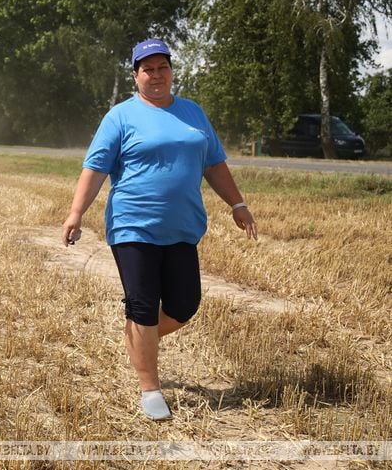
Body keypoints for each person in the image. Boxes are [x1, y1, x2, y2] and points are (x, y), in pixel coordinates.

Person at [61, 38, 258, 421]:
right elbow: (96, 168)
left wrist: (237, 203)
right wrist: (76, 213)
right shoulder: (120, 116)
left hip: (183, 227)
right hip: (133, 224)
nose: (156, 75)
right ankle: (149, 386)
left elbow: (214, 163)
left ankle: (139, 338)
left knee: (185, 304)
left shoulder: (193, 113)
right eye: (147, 69)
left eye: (162, 67)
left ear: (171, 71)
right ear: (136, 75)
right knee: (143, 303)